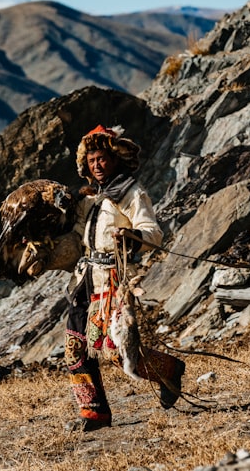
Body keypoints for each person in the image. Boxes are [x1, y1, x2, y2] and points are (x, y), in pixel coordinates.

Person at [63, 124, 185, 432]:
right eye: (91, 161)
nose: (98, 166)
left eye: (103, 158)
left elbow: (154, 233)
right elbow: (76, 242)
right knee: (75, 347)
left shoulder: (133, 194)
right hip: (83, 281)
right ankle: (94, 413)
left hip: (114, 281)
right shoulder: (88, 200)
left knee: (115, 351)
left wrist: (131, 235)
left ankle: (169, 369)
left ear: (116, 159)